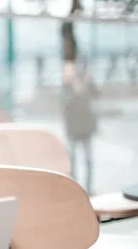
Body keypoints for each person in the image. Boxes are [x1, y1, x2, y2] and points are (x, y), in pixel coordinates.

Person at [61, 61, 98, 194]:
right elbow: (65, 104)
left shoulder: (87, 83)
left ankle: (89, 188)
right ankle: (74, 189)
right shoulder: (67, 85)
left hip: (86, 128)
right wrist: (71, 85)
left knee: (88, 160)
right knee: (72, 161)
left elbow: (96, 94)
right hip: (73, 128)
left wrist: (89, 81)